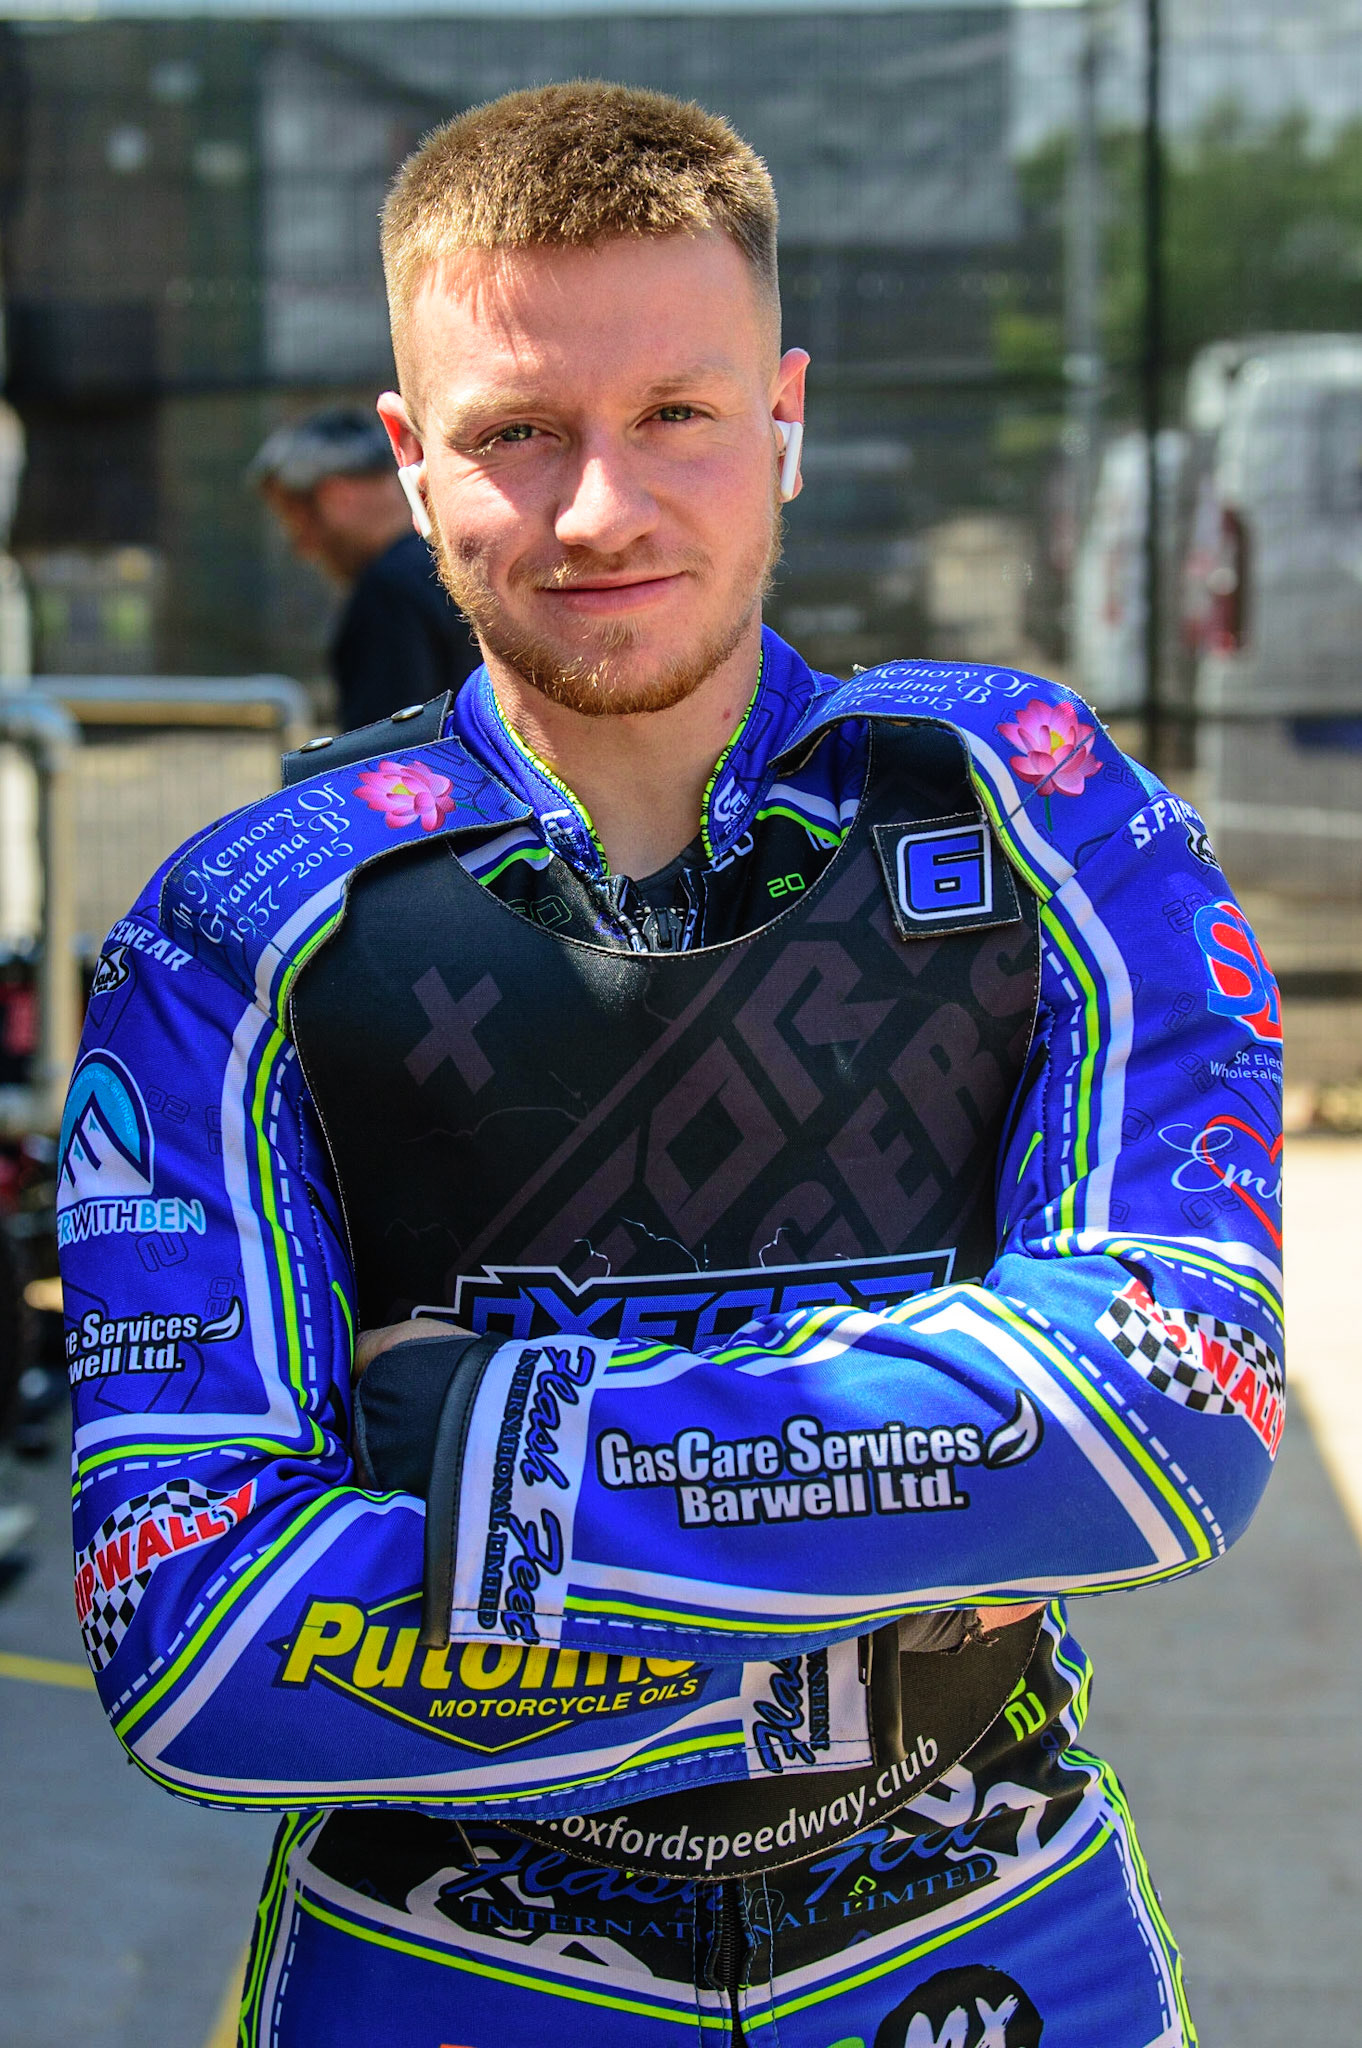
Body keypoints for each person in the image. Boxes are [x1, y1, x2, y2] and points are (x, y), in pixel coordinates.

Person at [62, 84, 1283, 2048]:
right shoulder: (238, 925)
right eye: (519, 432)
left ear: (783, 413)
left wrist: (487, 1456)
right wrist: (890, 1582)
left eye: (679, 417)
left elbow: (1171, 1408)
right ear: (411, 454)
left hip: (990, 1945)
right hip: (439, 1971)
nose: (604, 506)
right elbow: (193, 1635)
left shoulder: (1045, 812)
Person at [250, 405, 481, 728]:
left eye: (295, 520)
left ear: (336, 497)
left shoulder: (387, 593)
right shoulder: (456, 563)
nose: (302, 547)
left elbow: (384, 751)